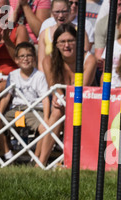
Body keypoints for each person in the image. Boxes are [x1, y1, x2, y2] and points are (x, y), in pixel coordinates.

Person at [38, 23, 96, 166]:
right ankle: (41, 162)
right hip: (64, 103)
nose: (66, 45)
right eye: (62, 42)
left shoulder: (89, 59)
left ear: (78, 42)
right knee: (57, 111)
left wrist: (61, 99)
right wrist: (58, 98)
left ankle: (58, 162)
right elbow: (55, 89)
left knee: (59, 110)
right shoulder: (49, 60)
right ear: (56, 45)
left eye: (70, 41)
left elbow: (82, 89)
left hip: (86, 103)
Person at [0, 42, 49, 161]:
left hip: (35, 110)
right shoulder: (13, 75)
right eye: (22, 56)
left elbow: (45, 98)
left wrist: (46, 118)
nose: (25, 59)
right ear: (16, 60)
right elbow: (6, 96)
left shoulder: (40, 76)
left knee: (44, 128)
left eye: (29, 55)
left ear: (34, 58)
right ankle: (8, 155)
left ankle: (36, 159)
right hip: (16, 110)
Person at [0, 0, 29, 93]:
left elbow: (23, 61)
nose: (0, 13)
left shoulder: (19, 30)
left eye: (4, 9)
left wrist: (7, 41)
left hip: (13, 79)